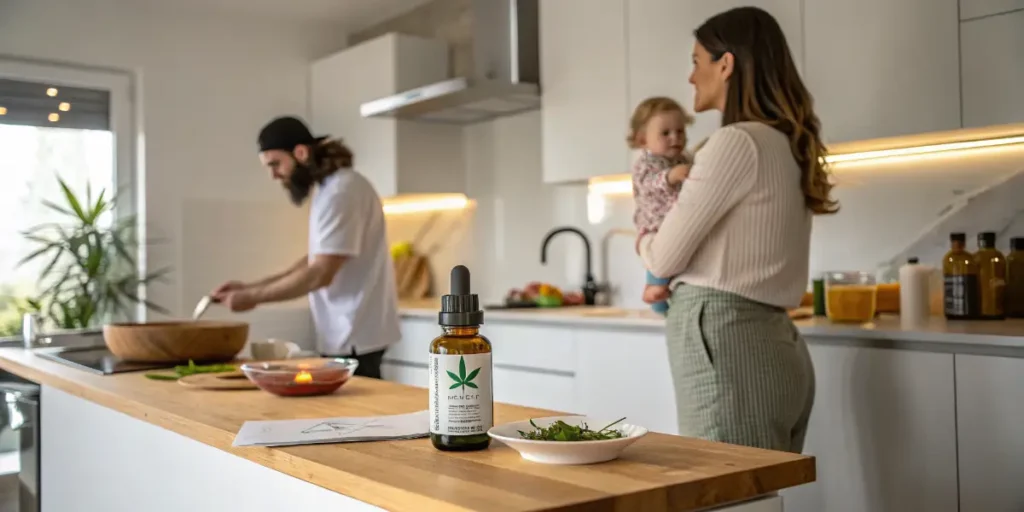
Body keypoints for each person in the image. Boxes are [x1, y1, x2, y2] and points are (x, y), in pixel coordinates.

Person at [636, 6, 838, 453]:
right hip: (774, 341)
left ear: (725, 65)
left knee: (725, 491)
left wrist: (643, 237)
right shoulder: (785, 143)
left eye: (696, 61)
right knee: (758, 495)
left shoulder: (735, 142)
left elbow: (664, 257)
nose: (690, 77)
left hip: (726, 338)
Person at [211, 116, 400, 379]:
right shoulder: (330, 188)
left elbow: (320, 273)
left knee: (355, 419)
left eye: (276, 164)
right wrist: (249, 287)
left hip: (354, 334)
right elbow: (315, 259)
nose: (273, 175)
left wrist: (253, 298)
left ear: (300, 153)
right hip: (346, 333)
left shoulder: (340, 192)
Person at [627, 97, 694, 315]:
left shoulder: (683, 158)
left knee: (674, 263)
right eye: (665, 133)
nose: (675, 137)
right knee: (658, 260)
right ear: (642, 140)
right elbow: (648, 183)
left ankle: (662, 298)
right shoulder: (645, 164)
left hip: (674, 226)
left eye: (680, 131)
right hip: (653, 228)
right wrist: (670, 176)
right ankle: (652, 288)